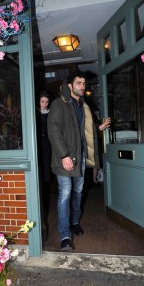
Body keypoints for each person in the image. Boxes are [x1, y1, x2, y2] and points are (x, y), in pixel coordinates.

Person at [47, 71, 110, 251]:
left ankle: (75, 222)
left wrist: (98, 127)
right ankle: (65, 235)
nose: (83, 86)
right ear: (69, 86)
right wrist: (64, 155)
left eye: (84, 83)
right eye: (79, 83)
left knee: (78, 192)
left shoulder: (83, 106)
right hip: (64, 158)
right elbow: (53, 131)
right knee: (65, 194)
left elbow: (81, 132)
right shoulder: (59, 104)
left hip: (80, 157)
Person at [36, 91, 52, 241]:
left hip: (47, 150)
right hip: (37, 151)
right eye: (42, 101)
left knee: (46, 180)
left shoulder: (50, 114)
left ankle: (45, 211)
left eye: (46, 102)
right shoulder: (34, 114)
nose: (44, 104)